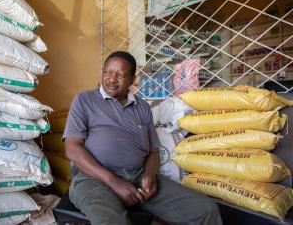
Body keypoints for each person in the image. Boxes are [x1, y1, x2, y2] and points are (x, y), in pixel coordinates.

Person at [63, 51, 222, 225]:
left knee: (204, 209)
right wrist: (114, 181)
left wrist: (149, 176)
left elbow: (153, 151)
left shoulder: (142, 107)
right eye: (107, 72)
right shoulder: (84, 101)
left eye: (120, 75)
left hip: (138, 177)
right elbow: (72, 149)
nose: (111, 79)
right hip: (93, 179)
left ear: (132, 79)